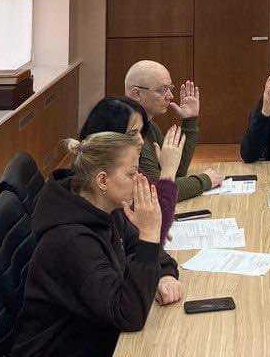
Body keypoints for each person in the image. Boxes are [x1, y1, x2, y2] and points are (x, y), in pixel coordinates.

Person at [11, 132, 183, 357]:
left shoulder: (106, 208)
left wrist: (165, 275)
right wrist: (149, 232)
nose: (140, 179)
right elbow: (128, 315)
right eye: (132, 173)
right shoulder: (72, 242)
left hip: (96, 337)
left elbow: (141, 250)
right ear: (102, 180)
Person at [79, 96, 184, 239]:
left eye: (141, 132)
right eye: (132, 133)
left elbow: (151, 219)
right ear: (110, 136)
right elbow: (155, 228)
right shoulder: (107, 182)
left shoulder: (124, 166)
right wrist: (168, 171)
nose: (141, 141)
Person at [124, 60, 224, 200]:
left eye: (170, 88)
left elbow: (175, 171)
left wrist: (190, 119)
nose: (170, 96)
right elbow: (157, 191)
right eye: (162, 90)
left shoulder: (149, 125)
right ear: (137, 94)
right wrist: (205, 180)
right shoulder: (131, 132)